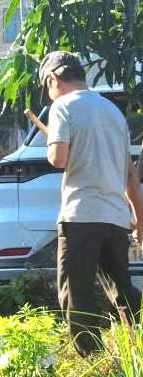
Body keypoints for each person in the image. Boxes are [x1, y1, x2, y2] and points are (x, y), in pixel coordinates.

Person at [41, 51, 143, 357]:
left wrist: (52, 148)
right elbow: (130, 176)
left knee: (77, 295)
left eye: (47, 88)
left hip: (81, 216)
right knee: (122, 292)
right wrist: (139, 218)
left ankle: (93, 365)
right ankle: (136, 354)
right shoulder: (113, 113)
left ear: (53, 79)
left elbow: (58, 158)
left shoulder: (62, 106)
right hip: (114, 218)